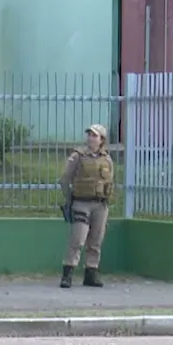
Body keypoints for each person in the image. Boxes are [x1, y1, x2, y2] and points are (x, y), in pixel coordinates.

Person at [58, 124, 113, 289]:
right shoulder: (78, 156)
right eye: (89, 135)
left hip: (100, 204)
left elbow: (110, 181)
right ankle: (67, 274)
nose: (91, 138)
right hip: (81, 202)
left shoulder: (107, 159)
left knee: (96, 241)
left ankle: (91, 273)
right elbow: (65, 179)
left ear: (102, 140)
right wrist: (70, 199)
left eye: (95, 135)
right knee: (77, 239)